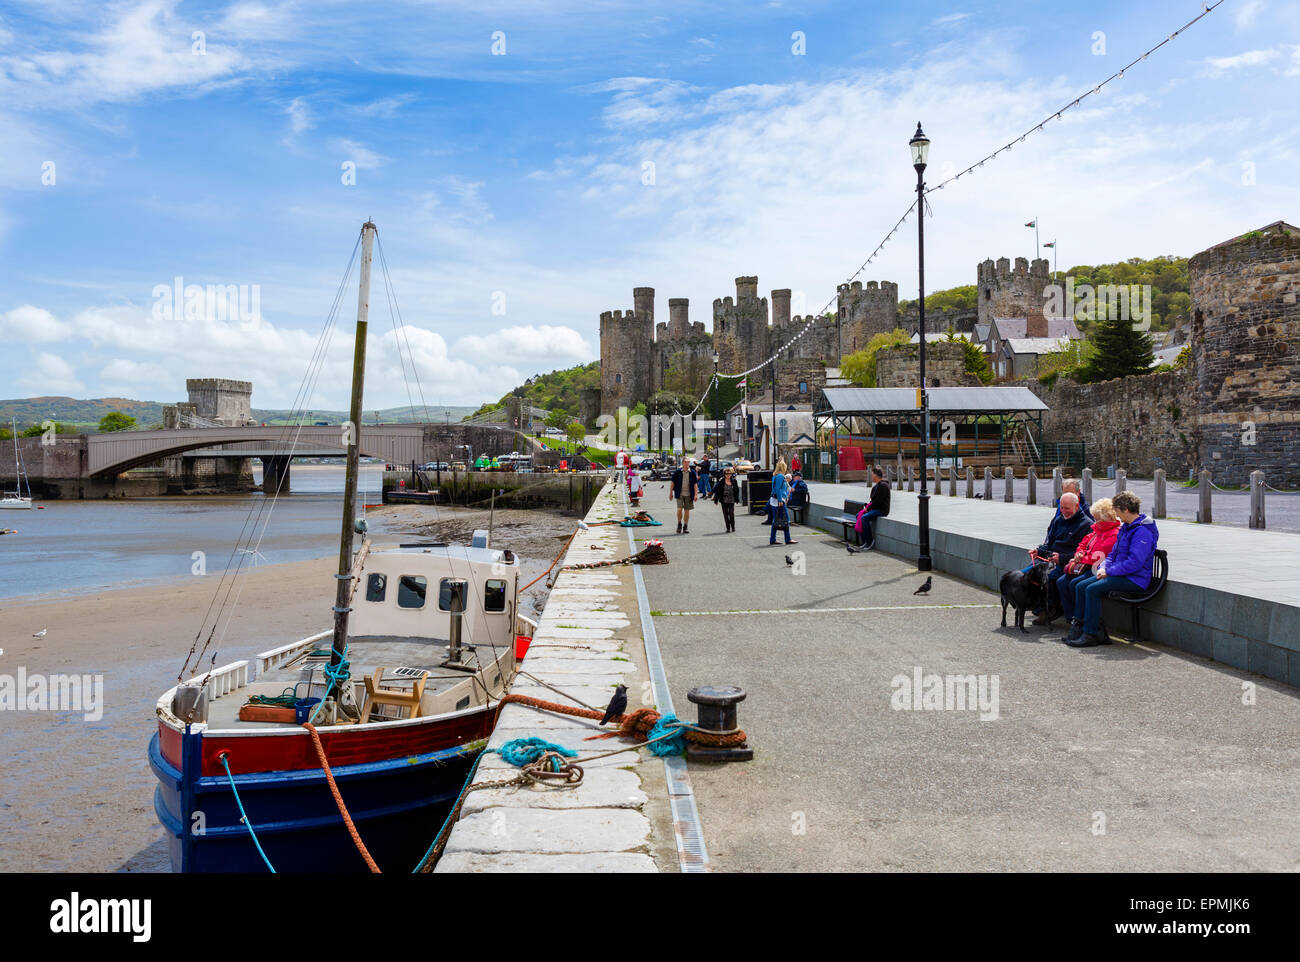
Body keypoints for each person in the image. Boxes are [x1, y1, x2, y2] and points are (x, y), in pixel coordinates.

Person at [1065, 490, 1159, 647]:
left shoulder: (1141, 531)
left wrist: (1109, 571)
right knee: (1081, 586)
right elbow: (1113, 554)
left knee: (1091, 589)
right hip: (1121, 574)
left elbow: (1134, 563)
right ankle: (1080, 627)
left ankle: (1091, 633)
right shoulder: (1127, 527)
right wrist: (1104, 567)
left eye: (1117, 512)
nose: (1117, 516)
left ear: (1126, 510)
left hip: (1135, 579)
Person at [1053, 498, 1120, 631]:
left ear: (1106, 518)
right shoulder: (1097, 530)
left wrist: (1081, 558)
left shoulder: (1113, 534)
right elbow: (1084, 543)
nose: (1095, 521)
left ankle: (1079, 619)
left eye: (1097, 518)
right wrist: (1079, 552)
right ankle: (1071, 617)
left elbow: (1101, 555)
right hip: (1088, 565)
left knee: (1075, 584)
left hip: (1096, 568)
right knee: (1061, 581)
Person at [1024, 491, 1092, 623]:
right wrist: (1038, 551)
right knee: (1026, 574)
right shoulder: (1059, 520)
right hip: (1052, 559)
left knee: (1048, 578)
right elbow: (1049, 544)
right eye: (1061, 507)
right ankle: (1035, 606)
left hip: (1070, 563)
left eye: (1067, 508)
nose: (1063, 511)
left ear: (1077, 507)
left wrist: (1062, 558)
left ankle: (1050, 609)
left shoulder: (1086, 525)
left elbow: (1083, 552)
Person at [855, 466, 891, 548]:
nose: (871, 476)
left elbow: (878, 502)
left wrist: (868, 509)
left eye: (872, 474)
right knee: (858, 516)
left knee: (864, 518)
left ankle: (870, 541)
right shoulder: (876, 486)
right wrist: (866, 507)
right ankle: (864, 541)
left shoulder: (883, 486)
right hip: (875, 508)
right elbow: (873, 501)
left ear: (876, 475)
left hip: (881, 510)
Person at [768, 466, 796, 546]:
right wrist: (780, 500)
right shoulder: (780, 476)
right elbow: (778, 489)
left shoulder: (775, 476)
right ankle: (788, 539)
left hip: (773, 501)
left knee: (776, 520)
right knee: (786, 519)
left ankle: (772, 539)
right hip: (778, 501)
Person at [670, 458, 698, 534]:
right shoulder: (678, 472)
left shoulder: (692, 472)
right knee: (679, 509)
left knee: (687, 511)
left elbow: (695, 484)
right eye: (685, 462)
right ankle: (679, 523)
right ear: (682, 463)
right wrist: (670, 493)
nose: (687, 463)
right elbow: (672, 482)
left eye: (688, 462)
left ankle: (685, 526)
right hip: (679, 494)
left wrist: (696, 494)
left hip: (689, 494)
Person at [712, 465, 741, 532]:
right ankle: (728, 528)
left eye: (729, 474)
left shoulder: (734, 481)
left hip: (731, 499)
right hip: (723, 500)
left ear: (731, 474)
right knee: (725, 514)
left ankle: (733, 527)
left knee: (731, 513)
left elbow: (736, 490)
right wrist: (716, 500)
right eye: (726, 474)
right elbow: (718, 491)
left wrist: (737, 499)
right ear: (724, 474)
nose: (728, 475)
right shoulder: (721, 481)